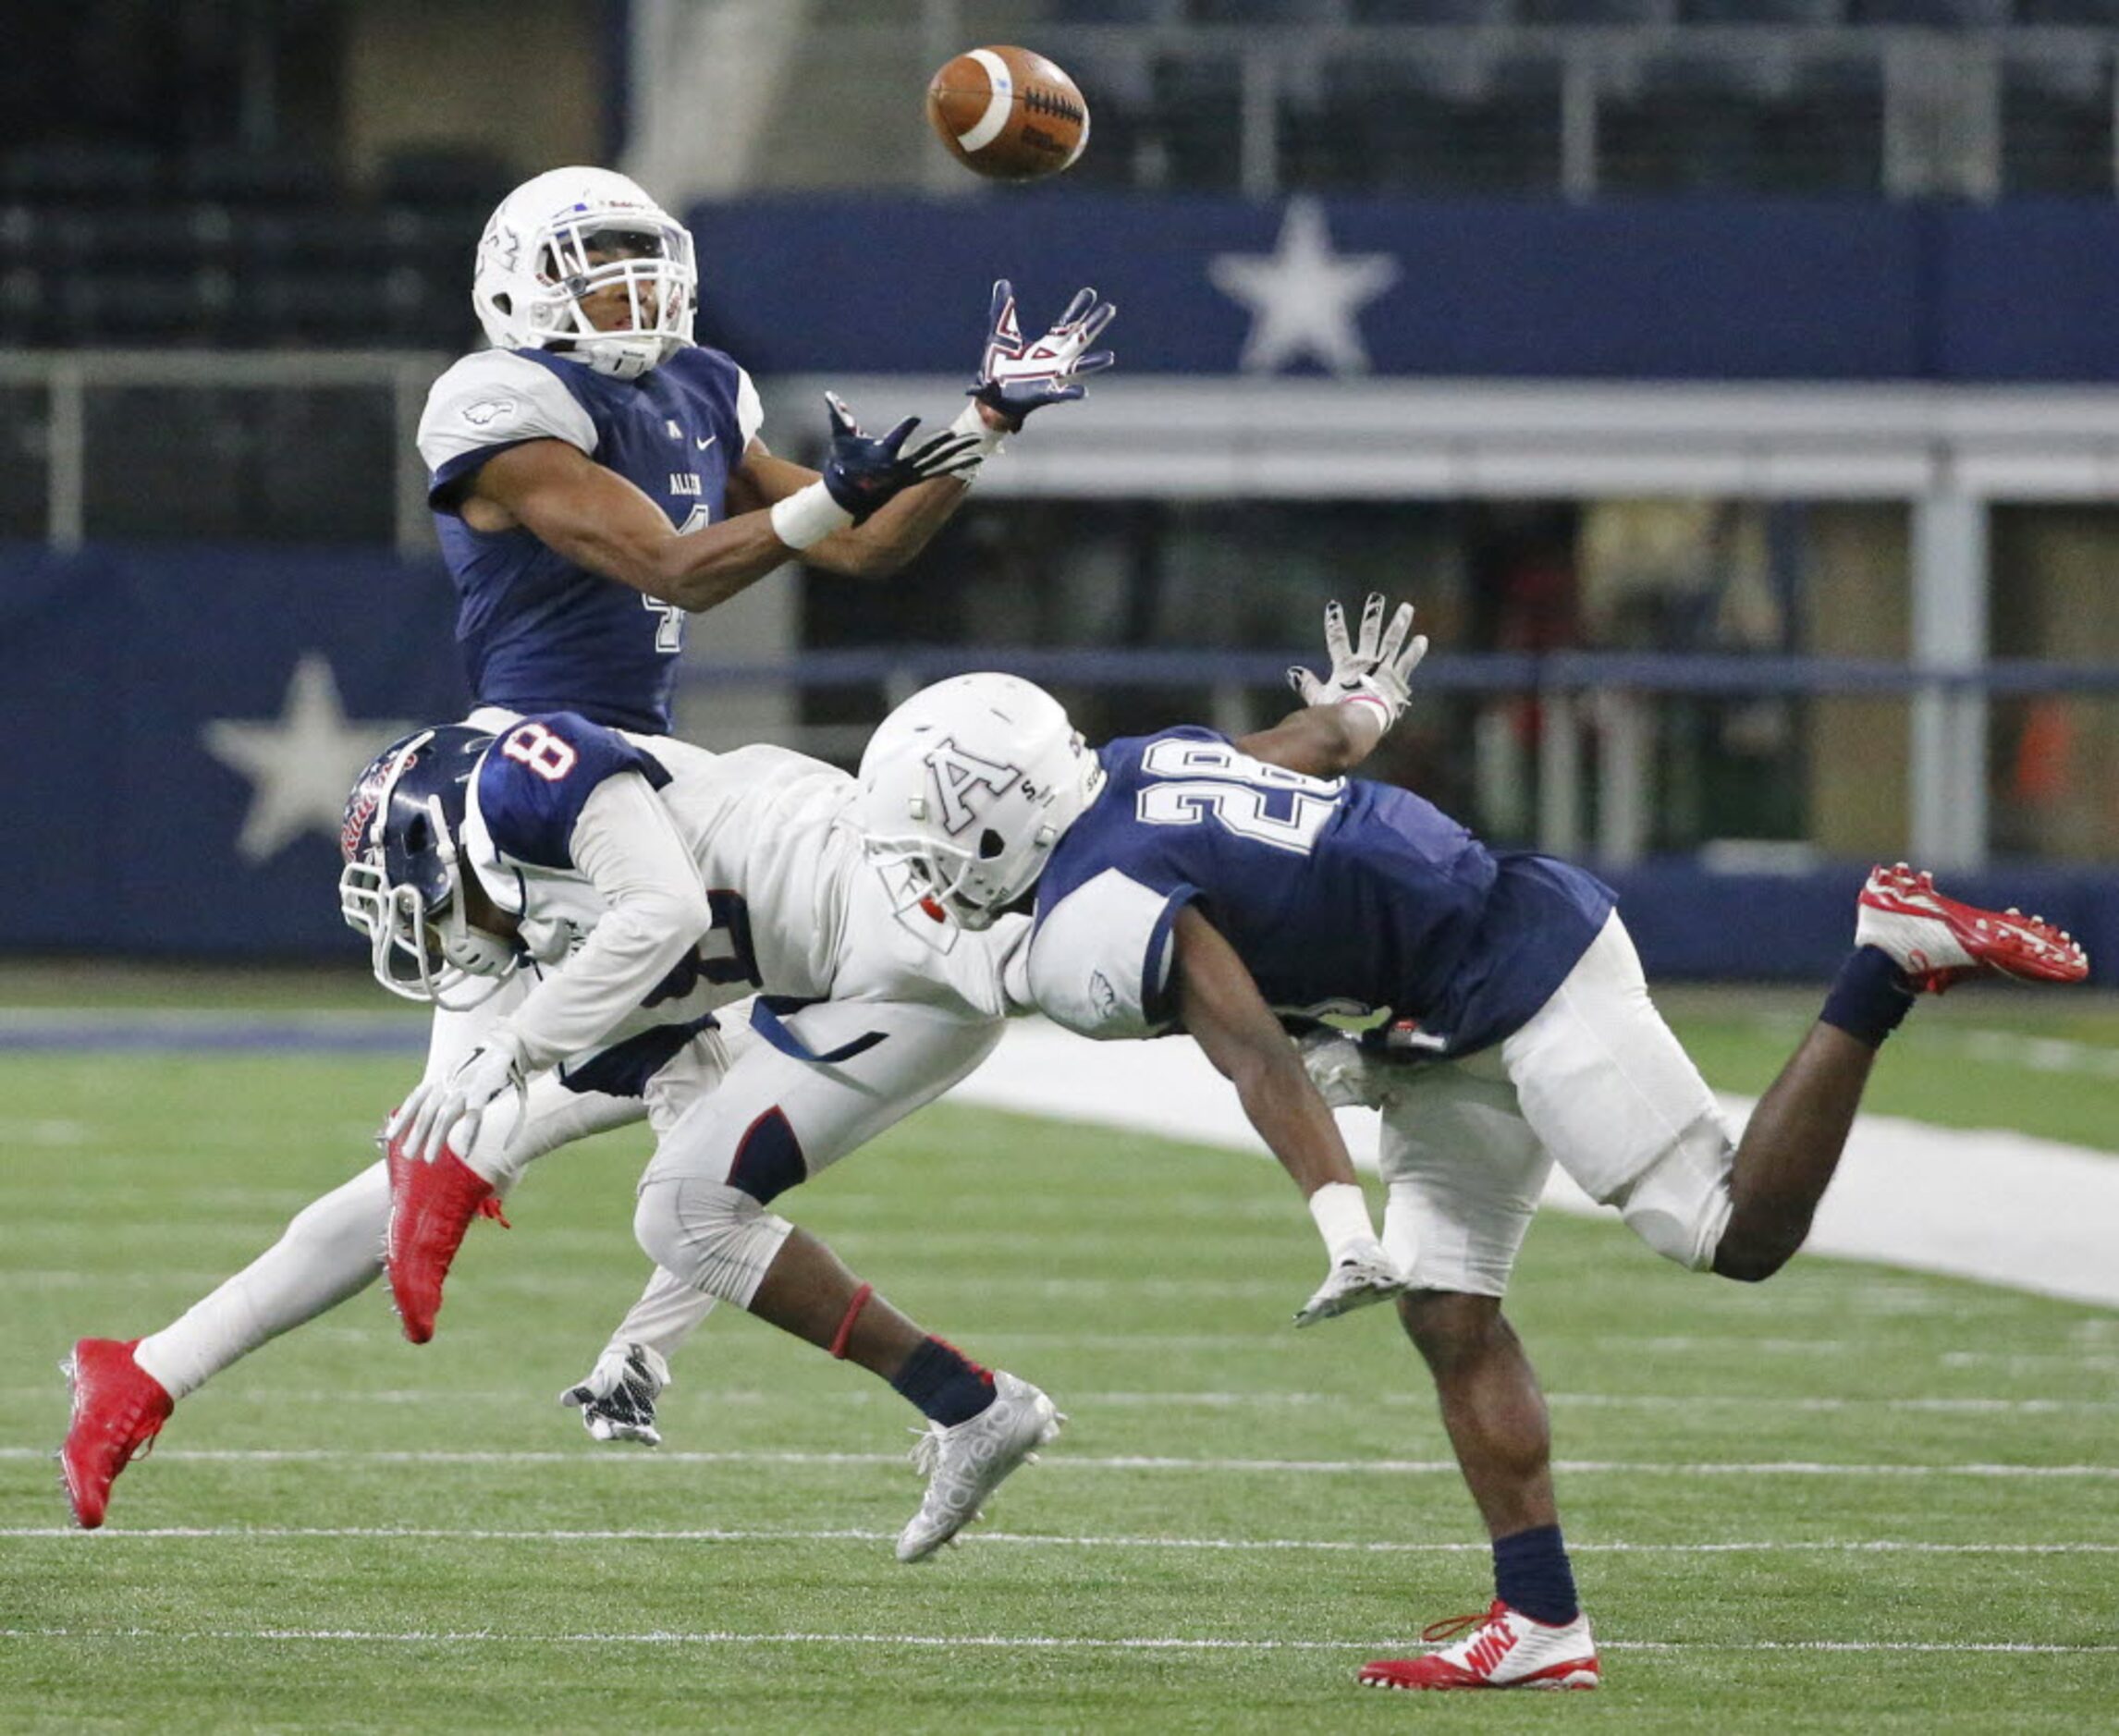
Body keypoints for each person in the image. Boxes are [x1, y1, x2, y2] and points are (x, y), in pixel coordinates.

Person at [55, 161, 1115, 1523]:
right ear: (518, 285)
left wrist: (981, 421)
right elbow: (678, 563)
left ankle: (894, 1393)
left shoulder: (702, 380)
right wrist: (824, 500)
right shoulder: (498, 401)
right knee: (467, 1143)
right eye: (599, 266)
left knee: (662, 1137)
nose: (637, 289)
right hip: (540, 797)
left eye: (643, 258)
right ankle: (152, 1372)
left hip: (657, 782)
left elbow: (856, 551)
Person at [846, 596, 2090, 1689]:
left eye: (941, 840)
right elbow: (1305, 746)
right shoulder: (1130, 763)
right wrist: (1368, 707)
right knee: (1448, 1309)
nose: (938, 872)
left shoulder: (1099, 906)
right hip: (1428, 1018)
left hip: (1515, 969)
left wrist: (1339, 1216)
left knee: (1728, 1233)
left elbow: (1255, 1053)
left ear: (1001, 816)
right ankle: (1543, 1616)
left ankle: (1883, 959)